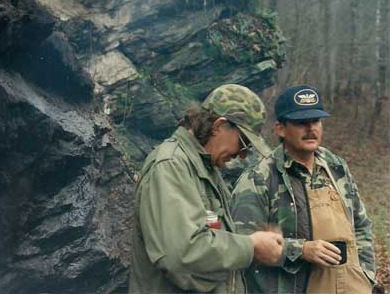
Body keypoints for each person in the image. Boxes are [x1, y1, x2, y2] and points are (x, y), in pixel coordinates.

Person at [129, 84, 284, 294]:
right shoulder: (171, 165)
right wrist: (251, 246)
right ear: (219, 126)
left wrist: (252, 240)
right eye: (243, 142)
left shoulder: (205, 168)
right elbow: (182, 253)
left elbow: (212, 232)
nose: (243, 155)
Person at [231, 85, 376, 294]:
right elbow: (243, 244)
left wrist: (367, 275)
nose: (311, 129)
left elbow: (361, 226)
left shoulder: (336, 166)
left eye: (316, 121)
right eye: (301, 122)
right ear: (280, 128)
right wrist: (301, 250)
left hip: (353, 287)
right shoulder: (259, 178)